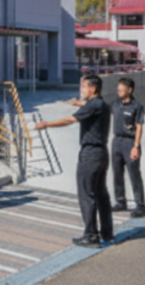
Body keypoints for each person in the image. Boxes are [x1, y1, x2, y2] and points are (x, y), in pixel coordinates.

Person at [34, 74, 114, 248]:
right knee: (101, 194)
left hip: (90, 154)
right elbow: (91, 107)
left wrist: (47, 124)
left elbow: (70, 120)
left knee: (87, 195)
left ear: (92, 89)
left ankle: (91, 236)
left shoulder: (93, 105)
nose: (82, 90)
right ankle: (107, 233)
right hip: (101, 153)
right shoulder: (102, 105)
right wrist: (80, 103)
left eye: (84, 87)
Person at [111, 77, 145, 217]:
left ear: (129, 90)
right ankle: (121, 201)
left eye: (121, 88)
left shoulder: (137, 107)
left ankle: (140, 206)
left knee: (134, 175)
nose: (118, 90)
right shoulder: (115, 104)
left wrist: (136, 146)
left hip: (130, 143)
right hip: (116, 142)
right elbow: (100, 107)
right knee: (117, 173)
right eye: (118, 88)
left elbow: (139, 127)